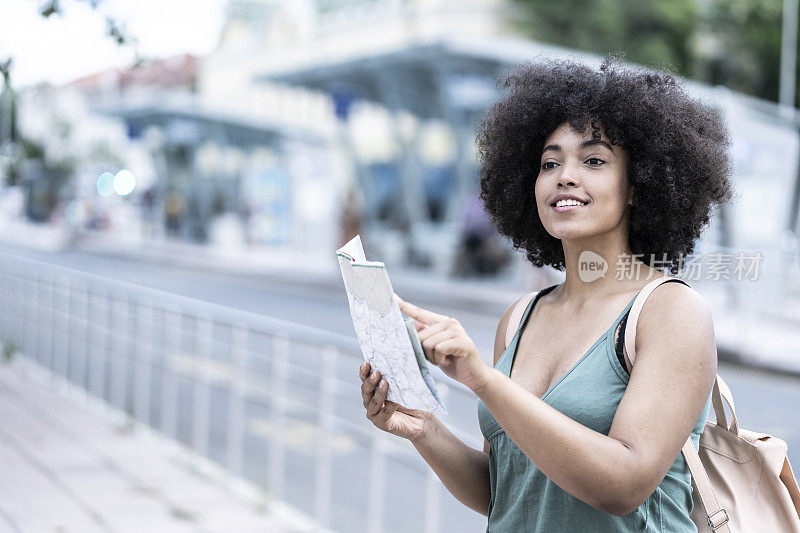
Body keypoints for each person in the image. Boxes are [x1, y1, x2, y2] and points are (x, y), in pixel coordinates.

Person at [357, 54, 734, 531]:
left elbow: (623, 485)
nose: (564, 176)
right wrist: (422, 427)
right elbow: (504, 491)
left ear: (637, 186)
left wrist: (484, 381)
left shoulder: (670, 312)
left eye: (593, 160)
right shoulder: (519, 318)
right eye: (549, 162)